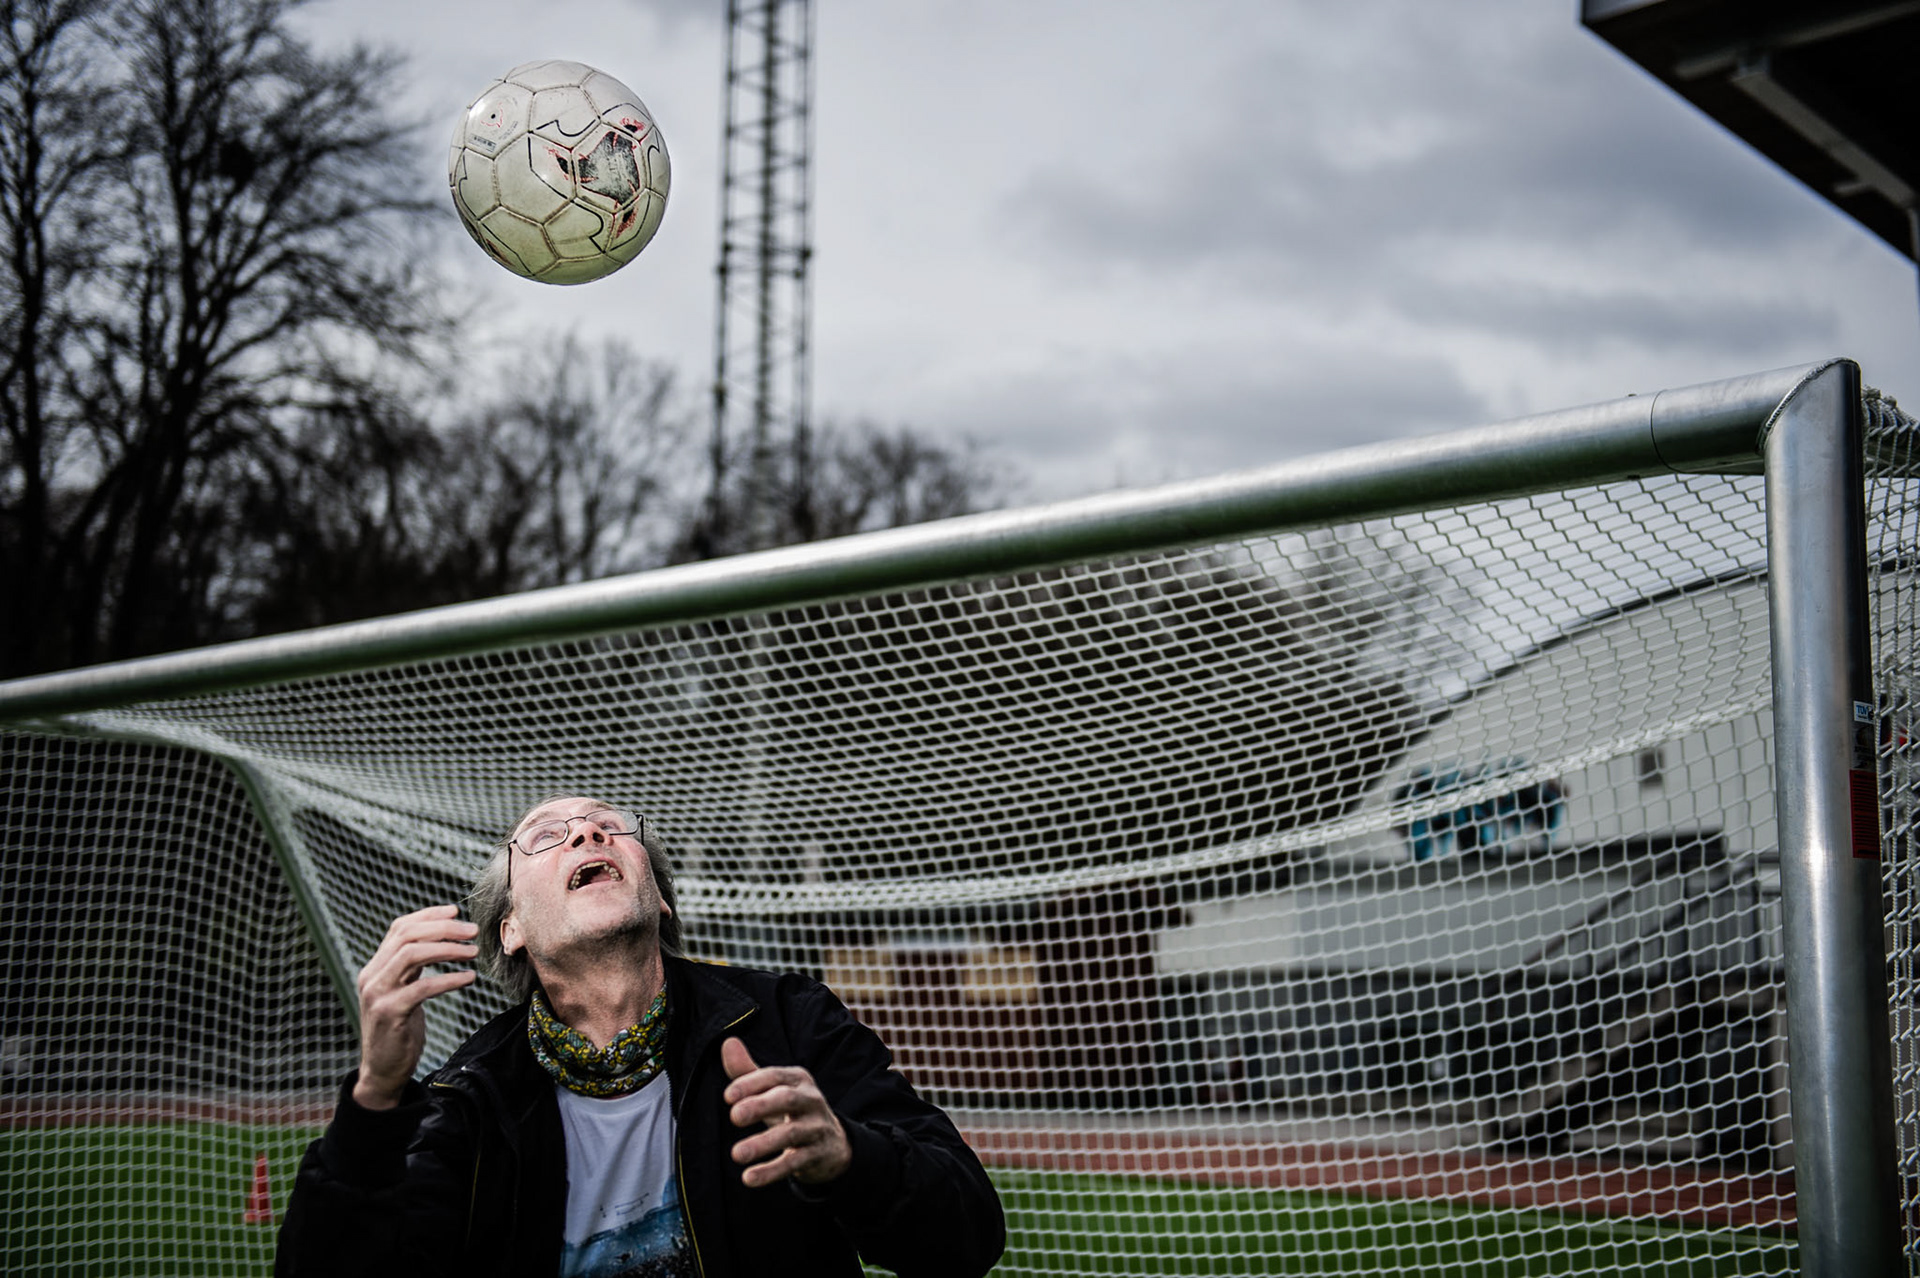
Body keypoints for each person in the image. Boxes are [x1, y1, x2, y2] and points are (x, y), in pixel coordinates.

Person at [276, 796, 1005, 1278]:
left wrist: (850, 1159)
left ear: (656, 894)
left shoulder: (789, 1019)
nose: (588, 833)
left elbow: (969, 1234)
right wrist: (374, 1099)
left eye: (607, 824)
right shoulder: (468, 1099)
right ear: (512, 928)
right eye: (545, 838)